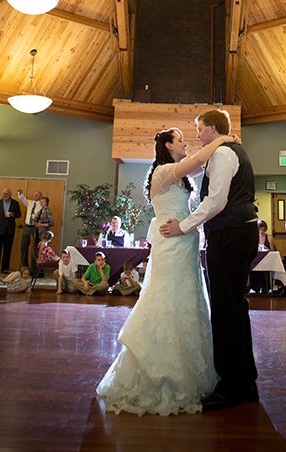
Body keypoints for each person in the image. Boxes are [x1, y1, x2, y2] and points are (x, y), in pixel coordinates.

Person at [97, 124, 238, 416]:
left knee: (186, 298)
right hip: (170, 241)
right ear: (168, 146)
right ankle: (160, 371)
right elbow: (199, 160)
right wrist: (224, 138)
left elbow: (203, 164)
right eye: (180, 140)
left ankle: (190, 369)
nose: (185, 143)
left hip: (184, 242)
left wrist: (221, 148)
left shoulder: (180, 174)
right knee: (167, 297)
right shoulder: (162, 172)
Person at [159, 110, 259, 411]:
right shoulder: (227, 151)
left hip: (230, 235)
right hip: (239, 232)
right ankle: (245, 381)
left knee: (227, 310)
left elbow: (216, 202)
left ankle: (231, 387)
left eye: (200, 128)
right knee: (235, 307)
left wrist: (184, 225)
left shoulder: (223, 155)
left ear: (212, 128)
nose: (197, 134)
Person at [0, 188, 20, 274]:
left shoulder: (15, 203)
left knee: (7, 250)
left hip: (9, 230)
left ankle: (5, 268)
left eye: (6, 194)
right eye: (4, 194)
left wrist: (13, 214)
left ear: (10, 194)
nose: (5, 195)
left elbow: (19, 214)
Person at [17, 188, 42, 268]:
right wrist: (20, 193)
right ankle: (25, 266)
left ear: (41, 196)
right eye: (35, 194)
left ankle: (33, 268)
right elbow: (22, 199)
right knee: (23, 246)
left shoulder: (42, 205)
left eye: (37, 195)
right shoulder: (30, 203)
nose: (35, 196)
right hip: (27, 227)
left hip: (35, 229)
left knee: (34, 249)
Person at [250, 219, 276, 294]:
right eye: (260, 230)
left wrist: (267, 249)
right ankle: (255, 287)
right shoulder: (255, 237)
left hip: (266, 259)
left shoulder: (269, 237)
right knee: (253, 266)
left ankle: (266, 288)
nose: (261, 232)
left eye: (263, 230)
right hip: (256, 259)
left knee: (264, 268)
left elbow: (272, 250)